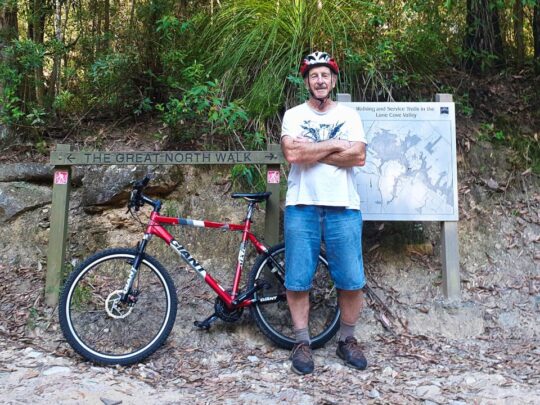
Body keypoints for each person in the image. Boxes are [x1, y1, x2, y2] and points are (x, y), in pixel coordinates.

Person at [280, 51, 368, 375]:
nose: (320, 80)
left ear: (332, 80)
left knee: (351, 279)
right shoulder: (293, 115)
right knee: (298, 278)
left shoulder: (349, 114)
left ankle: (347, 340)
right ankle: (302, 342)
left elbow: (358, 156)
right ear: (306, 81)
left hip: (343, 206)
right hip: (302, 205)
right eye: (314, 75)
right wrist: (335, 145)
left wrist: (313, 150)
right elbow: (292, 153)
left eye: (325, 75)